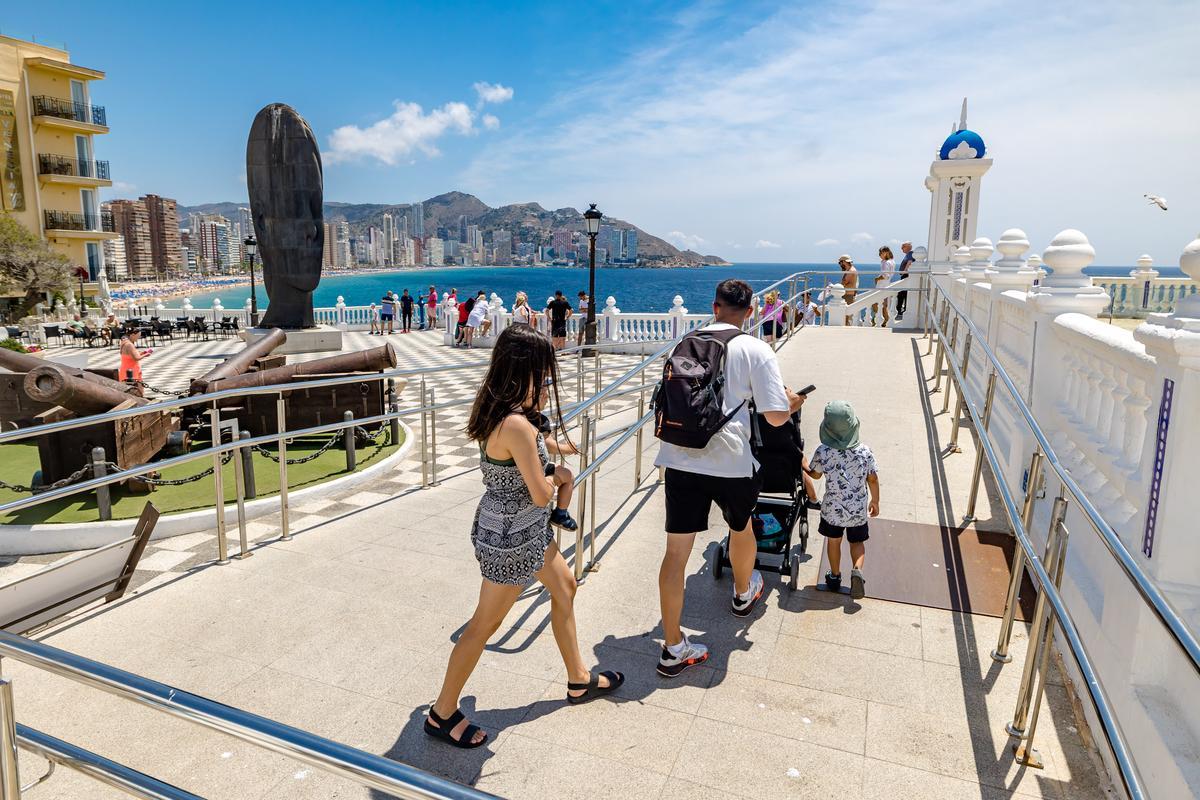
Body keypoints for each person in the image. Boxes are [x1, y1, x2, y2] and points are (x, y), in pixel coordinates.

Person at [424, 325, 623, 748]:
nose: (549, 388)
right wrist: (559, 474)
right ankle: (441, 714)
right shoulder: (517, 424)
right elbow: (540, 492)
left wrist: (550, 451)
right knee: (484, 625)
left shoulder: (497, 409)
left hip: (519, 529)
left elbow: (523, 455)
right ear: (522, 374)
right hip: (513, 537)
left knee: (565, 586)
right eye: (544, 377)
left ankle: (578, 679)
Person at [653, 279, 805, 677]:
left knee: (675, 554)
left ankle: (672, 646)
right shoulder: (756, 349)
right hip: (731, 462)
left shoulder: (686, 341)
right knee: (741, 527)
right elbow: (774, 417)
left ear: (715, 307)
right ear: (751, 311)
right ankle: (742, 593)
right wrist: (791, 403)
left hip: (680, 455)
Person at [804, 400, 880, 600]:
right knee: (857, 543)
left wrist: (803, 463)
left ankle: (835, 576)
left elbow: (816, 475)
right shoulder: (864, 451)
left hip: (833, 510)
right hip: (857, 510)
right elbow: (872, 478)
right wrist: (875, 501)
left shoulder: (824, 451)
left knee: (834, 542)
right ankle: (857, 570)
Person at [873, 246, 895, 327]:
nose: (879, 255)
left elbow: (885, 275)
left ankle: (880, 319)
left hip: (882, 284)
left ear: (886, 253)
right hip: (887, 284)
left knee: (875, 303)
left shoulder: (886, 262)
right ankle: (884, 318)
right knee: (883, 304)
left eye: (881, 253)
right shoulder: (891, 261)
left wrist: (877, 278)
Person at [838, 255, 858, 325]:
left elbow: (844, 282)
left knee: (845, 316)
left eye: (840, 262)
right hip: (848, 294)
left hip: (848, 295)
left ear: (844, 262)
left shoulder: (851, 271)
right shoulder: (850, 270)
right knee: (845, 316)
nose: (840, 265)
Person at [895, 241, 914, 320]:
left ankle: (899, 310)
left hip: (906, 276)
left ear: (908, 246)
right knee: (902, 294)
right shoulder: (908, 254)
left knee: (902, 294)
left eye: (903, 246)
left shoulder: (910, 254)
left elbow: (909, 262)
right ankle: (900, 309)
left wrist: (904, 272)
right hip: (905, 276)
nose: (902, 248)